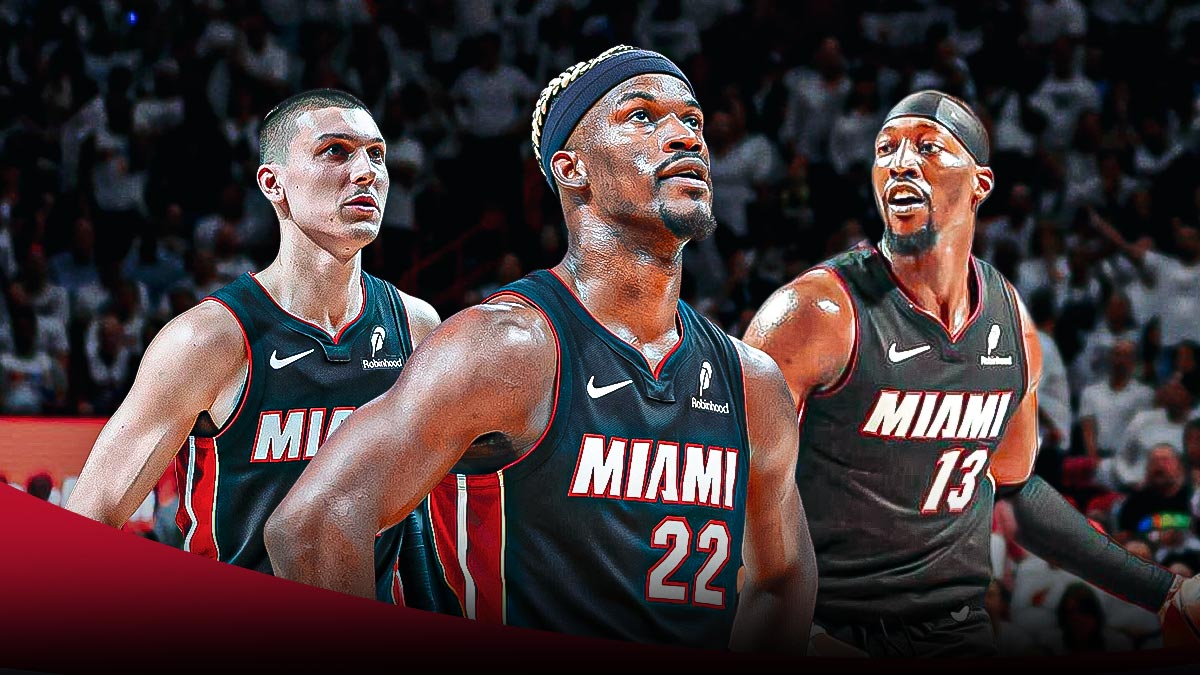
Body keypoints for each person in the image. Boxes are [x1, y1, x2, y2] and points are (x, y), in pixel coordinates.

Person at [265, 46, 817, 650]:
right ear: (571, 168)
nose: (685, 137)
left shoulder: (750, 381)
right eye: (642, 116)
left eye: (692, 121)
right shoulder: (506, 348)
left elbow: (781, 577)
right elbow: (314, 526)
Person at [744, 90, 1199, 656]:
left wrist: (1165, 592)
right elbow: (726, 480)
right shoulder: (817, 312)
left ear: (980, 184)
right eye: (886, 150)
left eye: (928, 148)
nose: (901, 163)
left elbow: (1016, 489)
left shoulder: (1011, 324)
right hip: (832, 628)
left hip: (957, 632)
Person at [65, 89, 447, 609]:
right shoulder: (208, 340)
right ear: (273, 184)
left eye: (376, 154)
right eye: (335, 150)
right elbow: (93, 515)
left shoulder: (415, 325)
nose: (366, 173)